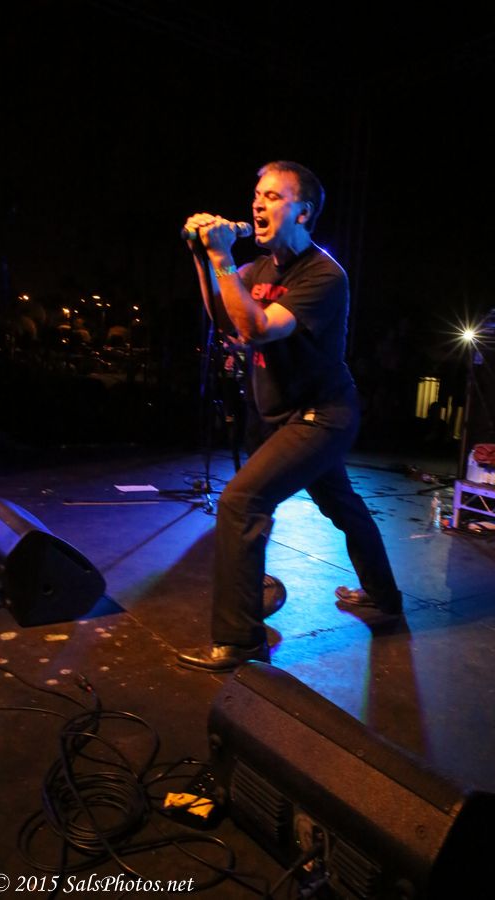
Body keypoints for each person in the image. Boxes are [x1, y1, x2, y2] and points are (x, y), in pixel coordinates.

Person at [177, 161, 401, 672]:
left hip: (324, 416)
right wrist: (203, 258)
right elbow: (225, 318)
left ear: (303, 212)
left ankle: (240, 640)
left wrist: (221, 256)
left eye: (274, 196)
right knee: (343, 507)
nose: (258, 203)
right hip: (285, 417)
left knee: (241, 501)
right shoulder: (255, 271)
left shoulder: (324, 275)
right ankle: (385, 598)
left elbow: (256, 328)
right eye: (257, 194)